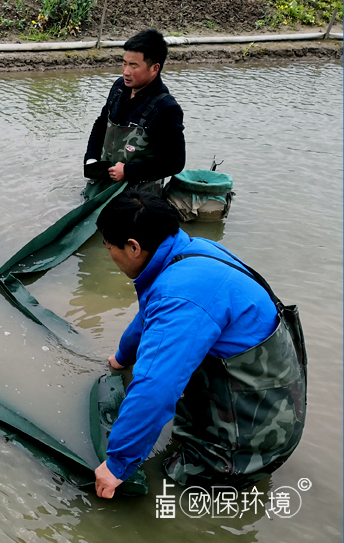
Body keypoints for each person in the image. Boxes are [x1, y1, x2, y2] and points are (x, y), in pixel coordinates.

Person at [93, 191, 306, 499]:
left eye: (109, 246)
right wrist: (121, 357)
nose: (109, 254)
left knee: (175, 483)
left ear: (133, 247)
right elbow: (148, 319)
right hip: (275, 387)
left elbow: (156, 385)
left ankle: (233, 468)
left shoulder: (179, 295)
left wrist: (117, 465)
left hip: (261, 428)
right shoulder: (191, 251)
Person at [84, 29, 185, 198]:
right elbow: (101, 124)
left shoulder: (165, 108)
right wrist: (91, 160)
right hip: (104, 182)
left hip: (139, 197)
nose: (126, 71)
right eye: (124, 63)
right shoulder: (119, 88)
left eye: (133, 65)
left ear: (154, 68)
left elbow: (174, 162)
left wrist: (128, 171)